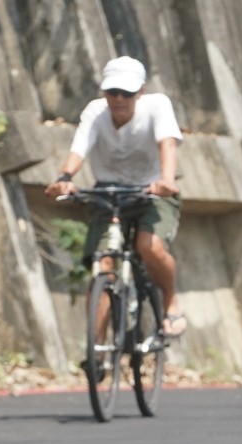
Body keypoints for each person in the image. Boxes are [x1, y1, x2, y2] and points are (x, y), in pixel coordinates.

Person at [45, 55, 186, 337]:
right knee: (103, 264)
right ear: (104, 92)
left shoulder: (157, 106)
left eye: (127, 93)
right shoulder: (95, 112)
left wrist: (166, 181)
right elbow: (78, 149)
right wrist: (64, 179)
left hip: (151, 191)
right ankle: (96, 351)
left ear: (141, 93)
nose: (119, 99)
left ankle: (171, 301)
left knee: (149, 246)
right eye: (112, 92)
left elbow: (167, 144)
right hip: (109, 193)